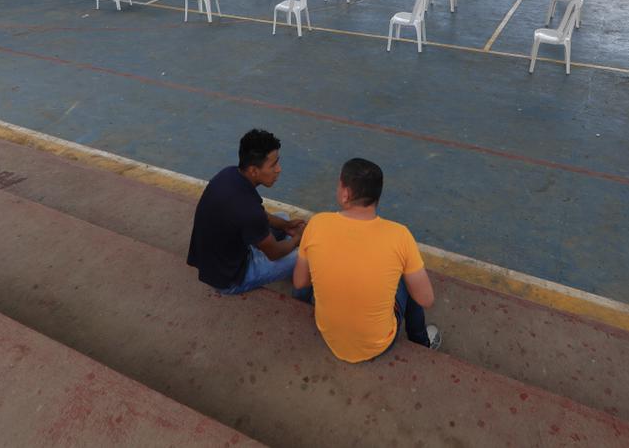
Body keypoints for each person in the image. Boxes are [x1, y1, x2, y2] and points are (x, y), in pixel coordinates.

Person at [294, 158, 440, 363]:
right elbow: (426, 299)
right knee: (408, 278)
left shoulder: (317, 223)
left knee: (312, 260)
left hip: (328, 333)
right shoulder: (399, 235)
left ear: (345, 193)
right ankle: (421, 341)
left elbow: (300, 282)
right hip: (378, 344)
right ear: (376, 196)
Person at [187, 128, 311, 300]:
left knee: (282, 218)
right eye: (273, 165)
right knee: (306, 255)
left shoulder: (229, 174)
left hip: (216, 260)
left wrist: (286, 226)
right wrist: (298, 238)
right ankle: (301, 301)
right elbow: (273, 253)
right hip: (229, 279)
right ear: (253, 171)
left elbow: (261, 215)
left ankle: (291, 253)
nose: (279, 169)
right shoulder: (248, 211)